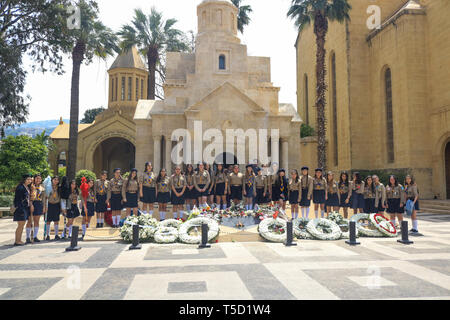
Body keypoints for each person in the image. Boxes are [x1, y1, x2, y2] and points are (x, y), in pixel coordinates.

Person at [13, 174, 33, 246]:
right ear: (24, 179)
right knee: (20, 225)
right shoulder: (20, 187)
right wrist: (20, 208)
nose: (29, 181)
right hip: (21, 208)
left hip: (25, 208)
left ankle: (19, 240)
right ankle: (17, 241)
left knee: (22, 225)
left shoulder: (27, 187)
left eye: (30, 179)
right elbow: (17, 200)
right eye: (28, 179)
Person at [27, 174, 44, 243]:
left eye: (40, 179)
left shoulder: (41, 187)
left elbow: (43, 197)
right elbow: (28, 196)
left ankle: (35, 236)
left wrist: (44, 206)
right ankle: (28, 237)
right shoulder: (31, 186)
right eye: (37, 178)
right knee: (30, 221)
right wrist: (31, 204)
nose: (38, 180)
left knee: (37, 221)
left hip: (39, 203)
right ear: (34, 179)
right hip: (32, 203)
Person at [43, 176, 61, 241]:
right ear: (52, 180)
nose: (56, 181)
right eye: (54, 179)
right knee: (48, 221)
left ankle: (56, 235)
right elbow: (45, 197)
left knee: (56, 220)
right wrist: (45, 206)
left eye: (57, 180)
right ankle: (48, 235)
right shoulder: (48, 187)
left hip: (56, 205)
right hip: (49, 204)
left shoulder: (59, 188)